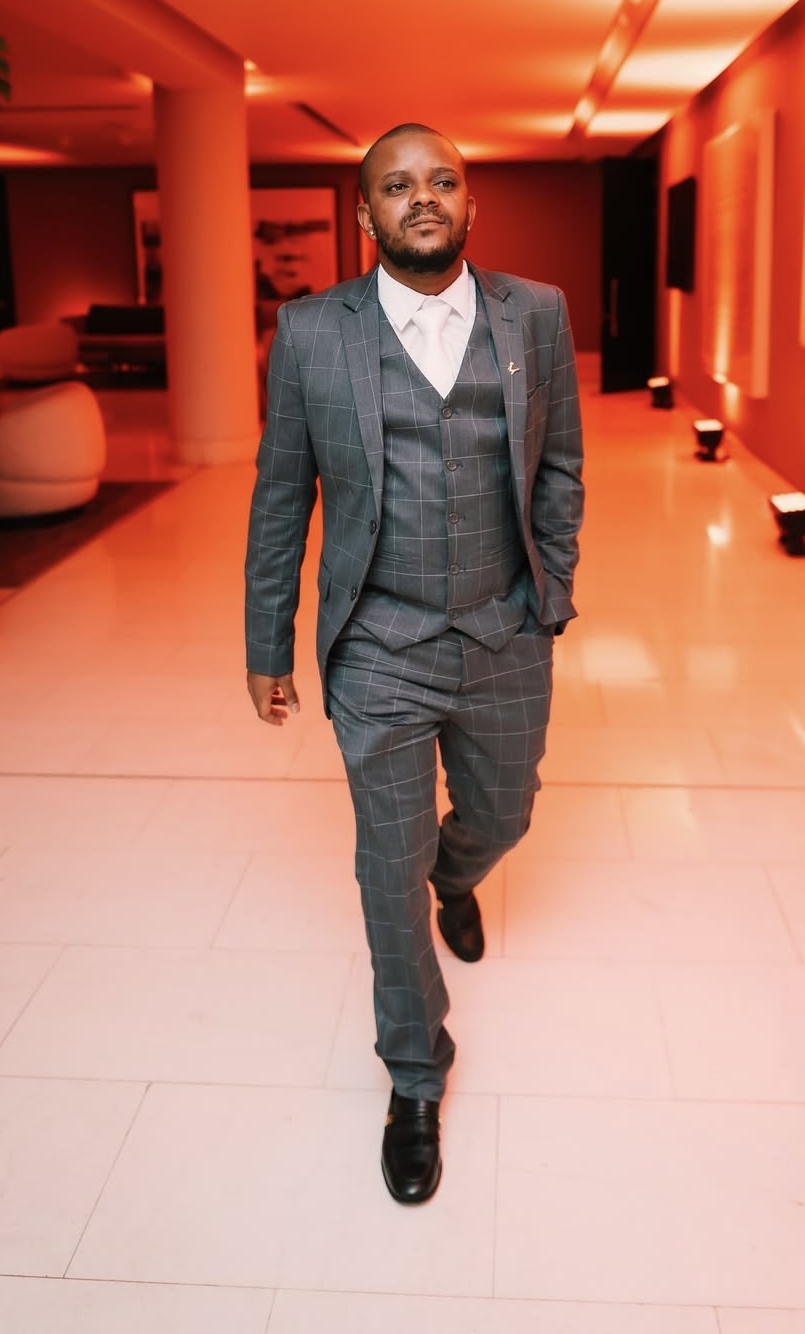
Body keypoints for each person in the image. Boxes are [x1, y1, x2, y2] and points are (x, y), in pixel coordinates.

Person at [244, 122, 584, 1204]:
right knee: (382, 869)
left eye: (442, 180)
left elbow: (563, 466)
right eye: (397, 185)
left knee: (507, 813)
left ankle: (460, 874)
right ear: (366, 214)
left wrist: (551, 589)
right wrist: (265, 642)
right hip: (377, 646)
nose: (422, 197)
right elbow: (281, 496)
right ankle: (415, 1076)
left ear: (471, 203)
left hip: (503, 628)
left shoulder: (537, 313)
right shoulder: (311, 332)